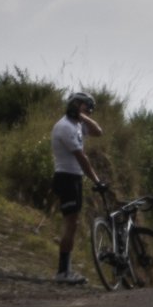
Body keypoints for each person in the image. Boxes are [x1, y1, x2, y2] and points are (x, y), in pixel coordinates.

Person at [51, 91, 105, 284]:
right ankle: (63, 272)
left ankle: (65, 270)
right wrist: (97, 180)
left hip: (74, 179)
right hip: (66, 178)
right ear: (73, 104)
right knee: (70, 224)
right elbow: (82, 158)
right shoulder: (65, 127)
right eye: (84, 106)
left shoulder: (77, 124)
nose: (87, 111)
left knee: (73, 224)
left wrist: (83, 117)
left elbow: (99, 131)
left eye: (89, 109)